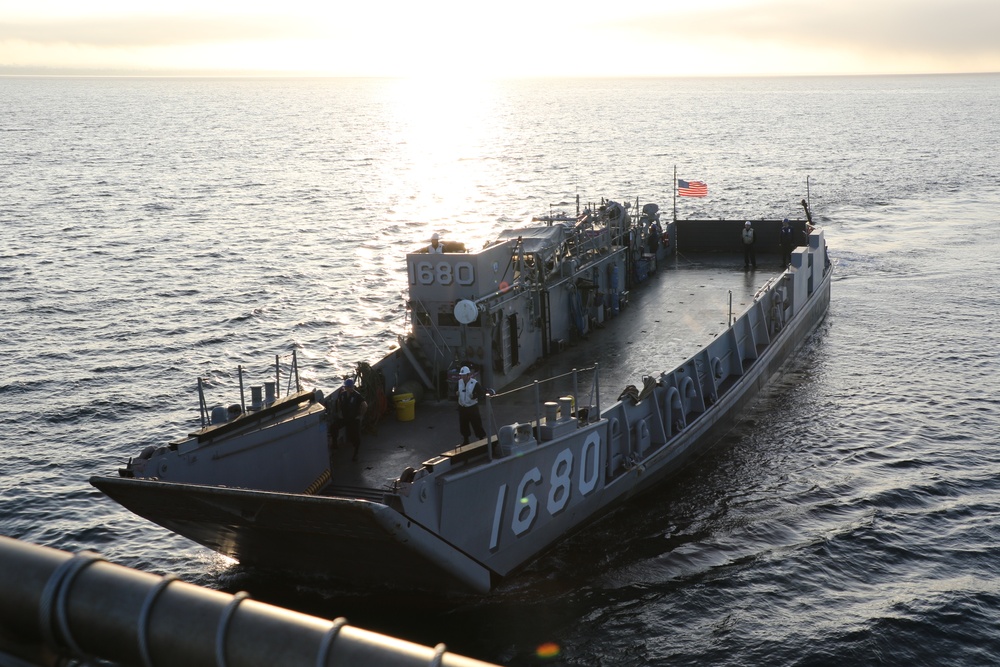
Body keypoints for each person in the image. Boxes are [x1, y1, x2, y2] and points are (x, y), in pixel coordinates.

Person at [329, 377, 368, 462]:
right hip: (344, 418)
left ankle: (356, 453)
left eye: (348, 387)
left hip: (354, 419)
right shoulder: (343, 394)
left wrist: (360, 416)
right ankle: (335, 445)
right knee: (333, 427)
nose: (346, 388)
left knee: (356, 437)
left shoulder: (357, 396)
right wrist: (339, 413)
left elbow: (364, 405)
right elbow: (339, 402)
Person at [457, 366, 493, 446]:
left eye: (463, 375)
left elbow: (481, 394)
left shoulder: (474, 383)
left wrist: (475, 396)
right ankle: (466, 440)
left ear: (468, 375)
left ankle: (481, 439)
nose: (462, 377)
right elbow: (456, 391)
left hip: (472, 407)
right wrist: (456, 393)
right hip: (462, 407)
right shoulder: (459, 382)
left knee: (476, 423)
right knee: (463, 424)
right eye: (461, 375)